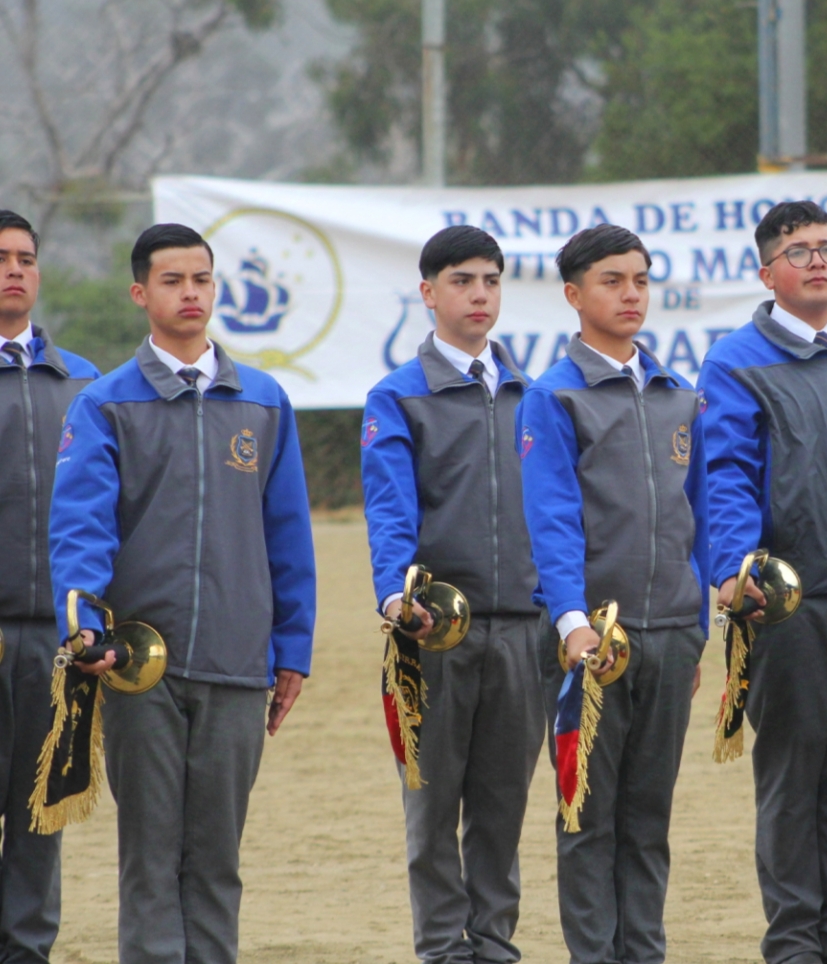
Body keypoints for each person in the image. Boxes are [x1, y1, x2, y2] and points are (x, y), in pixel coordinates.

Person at [47, 223, 316, 964]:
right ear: (142, 294)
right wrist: (87, 627)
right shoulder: (103, 405)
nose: (190, 292)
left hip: (237, 664)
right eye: (173, 280)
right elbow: (80, 531)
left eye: (201, 278)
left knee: (216, 858)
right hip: (139, 670)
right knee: (151, 857)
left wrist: (292, 651)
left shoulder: (263, 402)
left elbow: (289, 538)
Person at [697, 200, 827, 964]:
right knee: (792, 776)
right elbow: (725, 475)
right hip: (787, 608)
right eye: (798, 249)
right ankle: (794, 942)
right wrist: (738, 571)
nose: (816, 260)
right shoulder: (736, 360)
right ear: (765, 270)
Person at [518, 223, 708, 964]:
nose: (630, 294)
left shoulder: (675, 396)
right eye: (611, 281)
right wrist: (571, 624)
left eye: (639, 279)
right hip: (590, 647)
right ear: (574, 295)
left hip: (670, 636)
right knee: (587, 818)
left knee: (647, 817)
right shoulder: (553, 398)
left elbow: (690, 517)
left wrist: (695, 628)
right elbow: (551, 520)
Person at [361, 225, 544, 964]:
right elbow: (388, 508)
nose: (478, 294)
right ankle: (442, 947)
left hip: (524, 631)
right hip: (437, 634)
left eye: (490, 281)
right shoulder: (398, 396)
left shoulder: (534, 393)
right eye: (462, 281)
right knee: (433, 804)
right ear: (428, 292)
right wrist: (396, 596)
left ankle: (494, 943)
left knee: (503, 804)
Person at [0, 210, 99, 964]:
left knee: (42, 807)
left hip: (60, 640)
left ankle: (27, 947)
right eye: (2, 258)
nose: (15, 270)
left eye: (27, 258)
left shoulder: (87, 386)